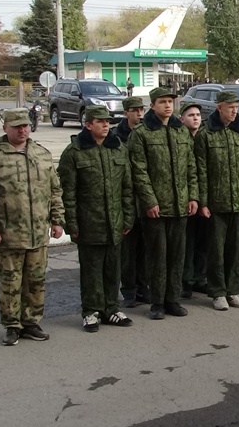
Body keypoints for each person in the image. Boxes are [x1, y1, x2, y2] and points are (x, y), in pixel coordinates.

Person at [0, 108, 65, 346]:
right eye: (17, 127)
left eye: (25, 126)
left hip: (38, 233)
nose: (23, 130)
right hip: (8, 234)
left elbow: (54, 190)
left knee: (36, 281)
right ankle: (12, 325)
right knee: (10, 283)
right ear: (5, 128)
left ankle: (31, 322)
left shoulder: (41, 154)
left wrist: (57, 220)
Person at [58, 106, 135, 332]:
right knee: (91, 270)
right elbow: (67, 193)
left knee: (113, 268)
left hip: (115, 222)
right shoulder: (74, 152)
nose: (105, 125)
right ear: (88, 124)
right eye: (100, 121)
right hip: (89, 222)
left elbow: (127, 188)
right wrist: (71, 223)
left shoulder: (118, 149)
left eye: (107, 121)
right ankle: (91, 311)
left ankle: (111, 308)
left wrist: (128, 218)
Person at [128, 87, 199, 320]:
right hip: (156, 207)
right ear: (153, 105)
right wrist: (149, 200)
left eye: (170, 102)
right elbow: (139, 171)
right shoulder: (142, 133)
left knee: (177, 255)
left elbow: (191, 167)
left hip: (180, 205)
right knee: (157, 256)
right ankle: (157, 302)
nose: (168, 106)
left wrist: (192, 196)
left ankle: (173, 299)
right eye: (163, 102)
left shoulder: (181, 132)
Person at [194, 90, 239, 311]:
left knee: (235, 250)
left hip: (238, 202)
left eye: (236, 107)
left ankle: (233, 290)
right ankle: (218, 292)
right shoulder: (206, 135)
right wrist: (203, 202)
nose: (234, 111)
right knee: (216, 251)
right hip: (215, 203)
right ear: (219, 107)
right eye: (230, 107)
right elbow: (200, 171)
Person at [113, 96, 149, 308]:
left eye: (141, 109)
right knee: (127, 250)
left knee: (144, 248)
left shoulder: (145, 133)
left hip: (143, 197)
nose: (139, 114)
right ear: (126, 113)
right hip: (126, 199)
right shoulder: (117, 136)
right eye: (134, 110)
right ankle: (129, 291)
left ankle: (143, 287)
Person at [178, 101, 208, 299]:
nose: (195, 118)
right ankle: (186, 279)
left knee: (203, 242)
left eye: (197, 115)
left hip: (205, 197)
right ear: (182, 119)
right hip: (187, 198)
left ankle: (200, 277)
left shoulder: (205, 136)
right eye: (191, 115)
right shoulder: (180, 138)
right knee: (187, 243)